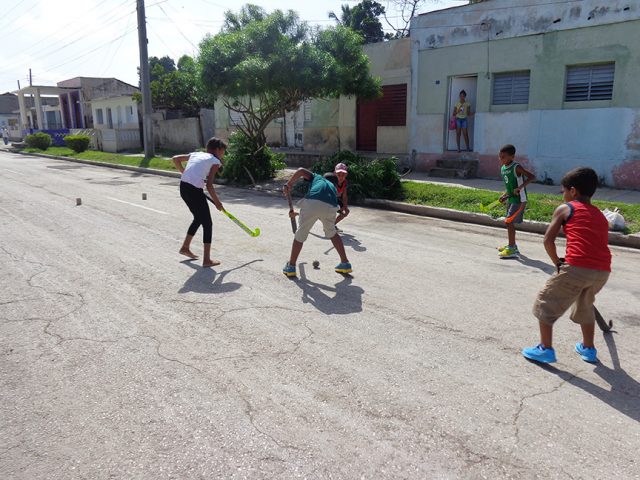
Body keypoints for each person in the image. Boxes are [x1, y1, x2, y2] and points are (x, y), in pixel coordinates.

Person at [522, 167, 611, 364]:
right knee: (585, 306)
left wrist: (558, 263)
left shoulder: (566, 208)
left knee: (545, 302)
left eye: (563, 191)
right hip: (602, 270)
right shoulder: (599, 215)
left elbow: (548, 240)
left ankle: (545, 349)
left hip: (577, 267)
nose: (562, 195)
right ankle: (588, 349)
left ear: (573, 191)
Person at [282, 168, 352, 277]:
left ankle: (291, 266)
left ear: (323, 177)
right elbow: (321, 211)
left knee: (300, 234)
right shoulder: (333, 189)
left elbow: (300, 171)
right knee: (332, 233)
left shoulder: (317, 178)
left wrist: (288, 184)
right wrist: (298, 214)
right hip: (330, 206)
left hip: (312, 203)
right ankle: (345, 263)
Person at [172, 137, 226, 268]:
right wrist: (218, 203)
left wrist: (184, 173)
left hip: (184, 187)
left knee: (198, 218)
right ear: (218, 150)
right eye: (223, 151)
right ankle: (207, 260)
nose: (223, 154)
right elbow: (209, 185)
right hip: (194, 191)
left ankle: (185, 247)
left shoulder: (197, 154)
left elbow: (175, 159)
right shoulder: (214, 161)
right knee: (207, 223)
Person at [497, 144, 535, 259]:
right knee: (509, 223)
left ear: (512, 157)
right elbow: (510, 186)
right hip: (511, 199)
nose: (501, 159)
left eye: (504, 157)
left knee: (508, 222)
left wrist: (520, 187)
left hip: (519, 200)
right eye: (500, 156)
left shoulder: (516, 167)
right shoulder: (503, 168)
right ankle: (511, 246)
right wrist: (505, 195)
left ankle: (512, 247)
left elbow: (531, 177)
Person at [323, 162, 350, 232]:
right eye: (338, 174)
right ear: (334, 174)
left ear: (346, 175)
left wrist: (345, 207)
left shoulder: (345, 183)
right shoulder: (331, 181)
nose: (341, 177)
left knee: (345, 212)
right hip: (326, 200)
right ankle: (328, 225)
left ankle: (332, 225)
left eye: (343, 175)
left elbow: (344, 196)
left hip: (335, 200)